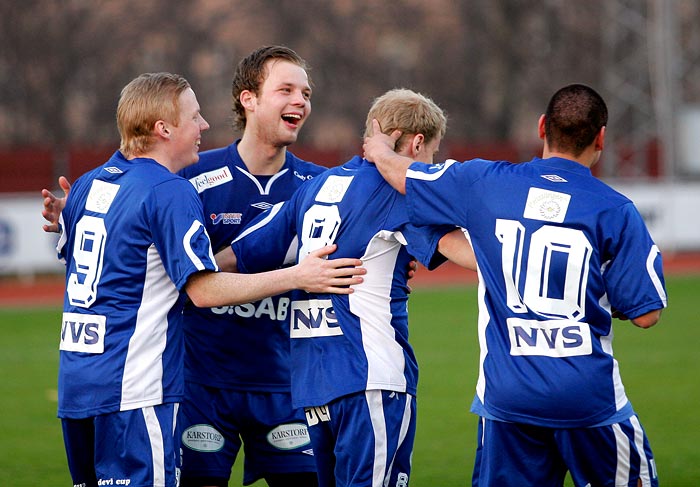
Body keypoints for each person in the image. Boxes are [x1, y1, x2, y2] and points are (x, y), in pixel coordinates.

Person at [51, 72, 364, 487]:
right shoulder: (169, 189)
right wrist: (300, 274)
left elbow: (83, 255)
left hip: (78, 386)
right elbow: (202, 290)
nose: (204, 127)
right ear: (163, 128)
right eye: (194, 117)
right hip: (138, 389)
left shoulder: (88, 185)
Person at [363, 83, 667, 487]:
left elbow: (405, 177)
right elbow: (646, 314)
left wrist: (380, 147)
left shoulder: (485, 182)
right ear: (601, 138)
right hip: (588, 399)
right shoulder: (616, 211)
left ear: (542, 127)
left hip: (507, 400)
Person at [225, 88, 472, 487]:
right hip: (371, 379)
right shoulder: (399, 193)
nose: (430, 164)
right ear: (416, 143)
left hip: (313, 387)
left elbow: (237, 255)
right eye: (431, 153)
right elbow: (470, 255)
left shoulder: (315, 188)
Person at [176, 45, 324, 487]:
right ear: (249, 99)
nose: (300, 100)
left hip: (288, 388)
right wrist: (73, 215)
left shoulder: (320, 186)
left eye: (306, 92)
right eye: (285, 89)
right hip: (202, 386)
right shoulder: (192, 177)